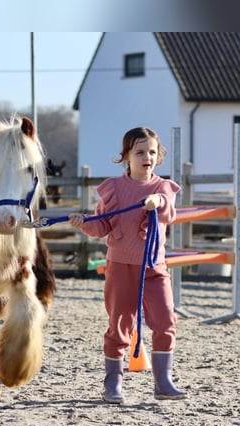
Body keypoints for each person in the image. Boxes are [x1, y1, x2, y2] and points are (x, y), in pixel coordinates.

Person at [68, 126, 186, 403]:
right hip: (120, 266)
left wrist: (157, 201)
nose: (147, 157)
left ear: (159, 157)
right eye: (140, 152)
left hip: (154, 267)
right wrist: (83, 222)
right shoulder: (114, 189)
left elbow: (169, 211)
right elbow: (101, 226)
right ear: (126, 157)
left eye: (152, 152)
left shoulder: (163, 187)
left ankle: (163, 381)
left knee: (166, 319)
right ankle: (113, 383)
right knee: (119, 324)